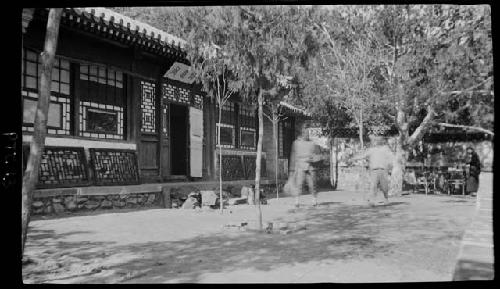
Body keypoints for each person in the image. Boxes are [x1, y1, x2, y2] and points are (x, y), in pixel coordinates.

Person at [352, 135, 394, 206]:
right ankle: (372, 201)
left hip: (383, 170)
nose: (375, 142)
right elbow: (363, 155)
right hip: (374, 170)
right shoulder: (371, 150)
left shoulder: (385, 149)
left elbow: (391, 157)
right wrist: (354, 158)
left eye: (377, 141)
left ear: (381, 142)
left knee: (384, 186)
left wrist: (390, 166)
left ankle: (386, 199)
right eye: (375, 141)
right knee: (373, 186)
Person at [289, 124, 321, 208]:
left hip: (310, 167)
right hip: (300, 166)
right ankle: (296, 201)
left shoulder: (312, 143)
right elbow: (293, 156)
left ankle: (314, 200)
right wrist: (291, 170)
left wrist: (314, 158)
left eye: (308, 133)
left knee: (312, 184)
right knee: (298, 184)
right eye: (305, 133)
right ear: (302, 133)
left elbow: (318, 154)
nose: (307, 134)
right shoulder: (296, 143)